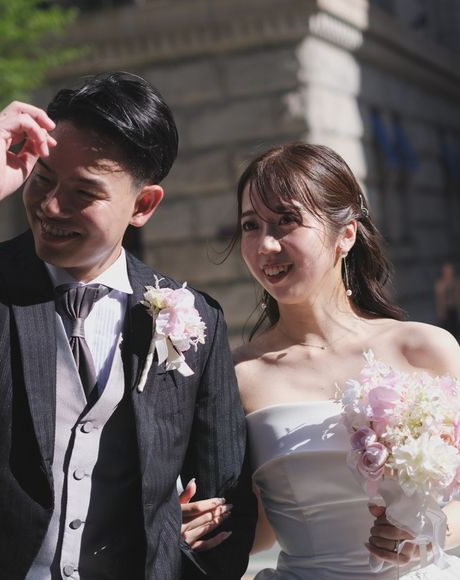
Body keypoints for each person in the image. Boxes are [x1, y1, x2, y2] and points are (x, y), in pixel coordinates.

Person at [0, 72, 256, 580]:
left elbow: (225, 502)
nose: (51, 206)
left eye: (83, 192)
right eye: (43, 179)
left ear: (142, 205)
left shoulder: (196, 318)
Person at [182, 142, 460, 578]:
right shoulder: (237, 375)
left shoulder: (425, 348)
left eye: (286, 221)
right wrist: (190, 524)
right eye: (251, 225)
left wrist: (427, 533)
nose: (265, 244)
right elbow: (261, 531)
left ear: (345, 234)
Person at [434, 262, 460, 340]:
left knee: (455, 328)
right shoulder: (440, 284)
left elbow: (457, 295)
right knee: (447, 328)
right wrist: (441, 311)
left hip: (454, 308)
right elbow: (439, 299)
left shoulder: (455, 282)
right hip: (446, 309)